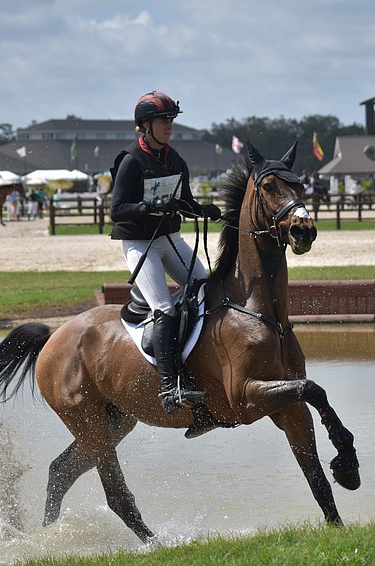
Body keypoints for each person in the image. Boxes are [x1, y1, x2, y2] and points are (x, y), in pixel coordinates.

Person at [110, 90, 221, 414]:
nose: (169, 126)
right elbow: (117, 210)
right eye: (163, 120)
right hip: (140, 244)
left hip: (170, 239)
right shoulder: (131, 160)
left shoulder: (175, 160)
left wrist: (205, 210)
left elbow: (184, 202)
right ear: (145, 126)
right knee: (164, 308)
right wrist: (147, 206)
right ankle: (169, 387)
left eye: (171, 120)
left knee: (206, 286)